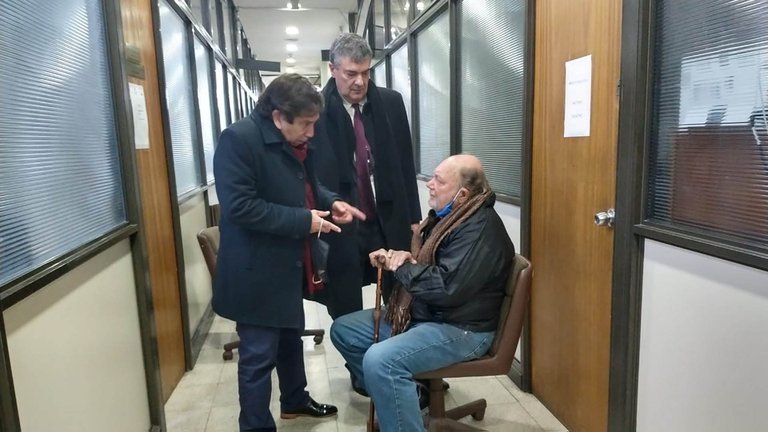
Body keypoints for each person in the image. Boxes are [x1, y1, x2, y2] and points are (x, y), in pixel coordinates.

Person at [212, 74, 365, 432]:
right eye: (306, 124)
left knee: (290, 339)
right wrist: (304, 221)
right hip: (255, 270)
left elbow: (309, 184)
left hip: (288, 262)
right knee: (258, 357)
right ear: (279, 117)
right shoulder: (239, 140)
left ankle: (295, 400)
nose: (311, 132)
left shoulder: (293, 140)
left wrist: (332, 202)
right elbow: (240, 207)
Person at [330, 154, 516, 432]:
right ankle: (407, 396)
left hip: (462, 328)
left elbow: (446, 288)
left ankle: (397, 394)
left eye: (439, 180)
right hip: (431, 313)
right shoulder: (451, 217)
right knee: (344, 330)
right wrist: (405, 258)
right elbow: (434, 269)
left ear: (463, 194)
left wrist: (402, 267)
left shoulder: (479, 228)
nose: (430, 184)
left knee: (381, 361)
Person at [312, 33, 422, 320]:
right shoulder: (317, 110)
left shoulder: (390, 103)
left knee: (399, 305)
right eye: (351, 74)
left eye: (365, 72)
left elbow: (405, 163)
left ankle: (392, 347)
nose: (360, 82)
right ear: (333, 69)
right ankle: (353, 350)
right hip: (343, 223)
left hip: (388, 219)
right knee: (345, 308)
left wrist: (414, 218)